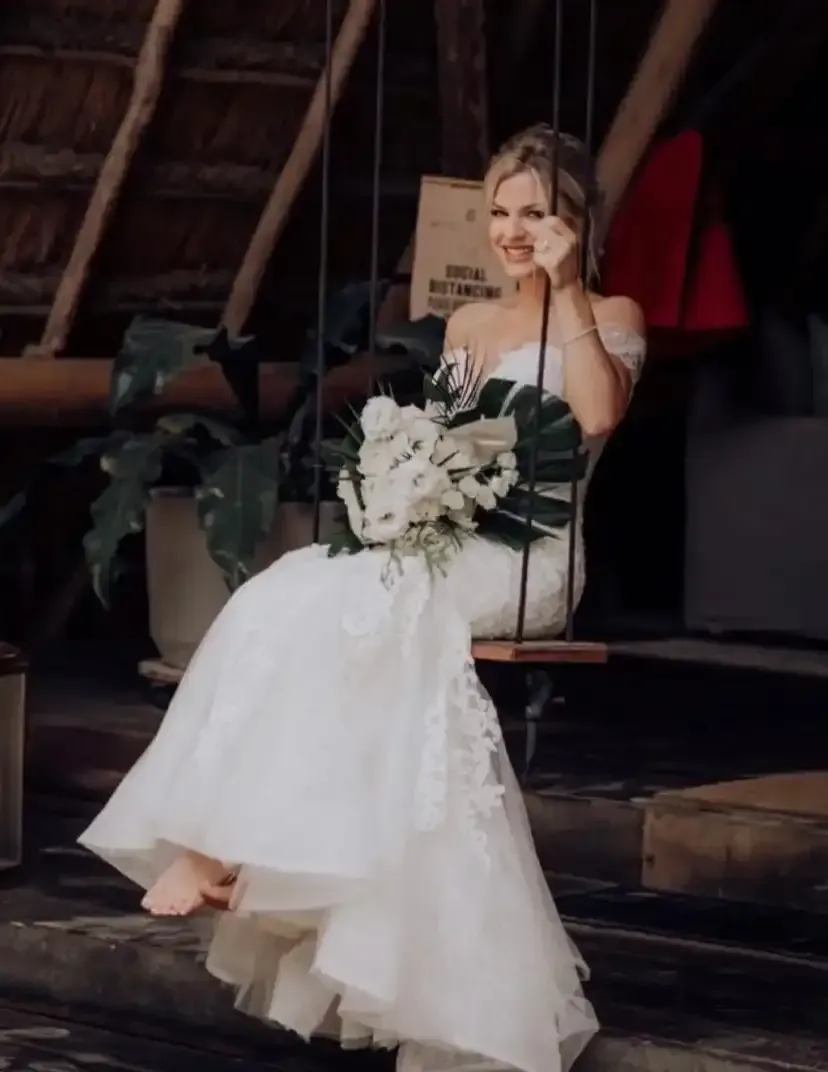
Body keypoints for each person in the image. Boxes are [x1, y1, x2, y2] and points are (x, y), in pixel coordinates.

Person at [79, 125, 645, 1072]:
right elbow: (443, 439)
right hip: (441, 541)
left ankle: (236, 851)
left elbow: (595, 415)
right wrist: (397, 490)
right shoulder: (468, 329)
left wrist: (572, 290)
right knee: (287, 593)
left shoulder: (606, 309)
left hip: (528, 559)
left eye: (534, 213)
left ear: (575, 222)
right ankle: (230, 843)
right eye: (498, 212)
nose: (511, 231)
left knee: (355, 607)